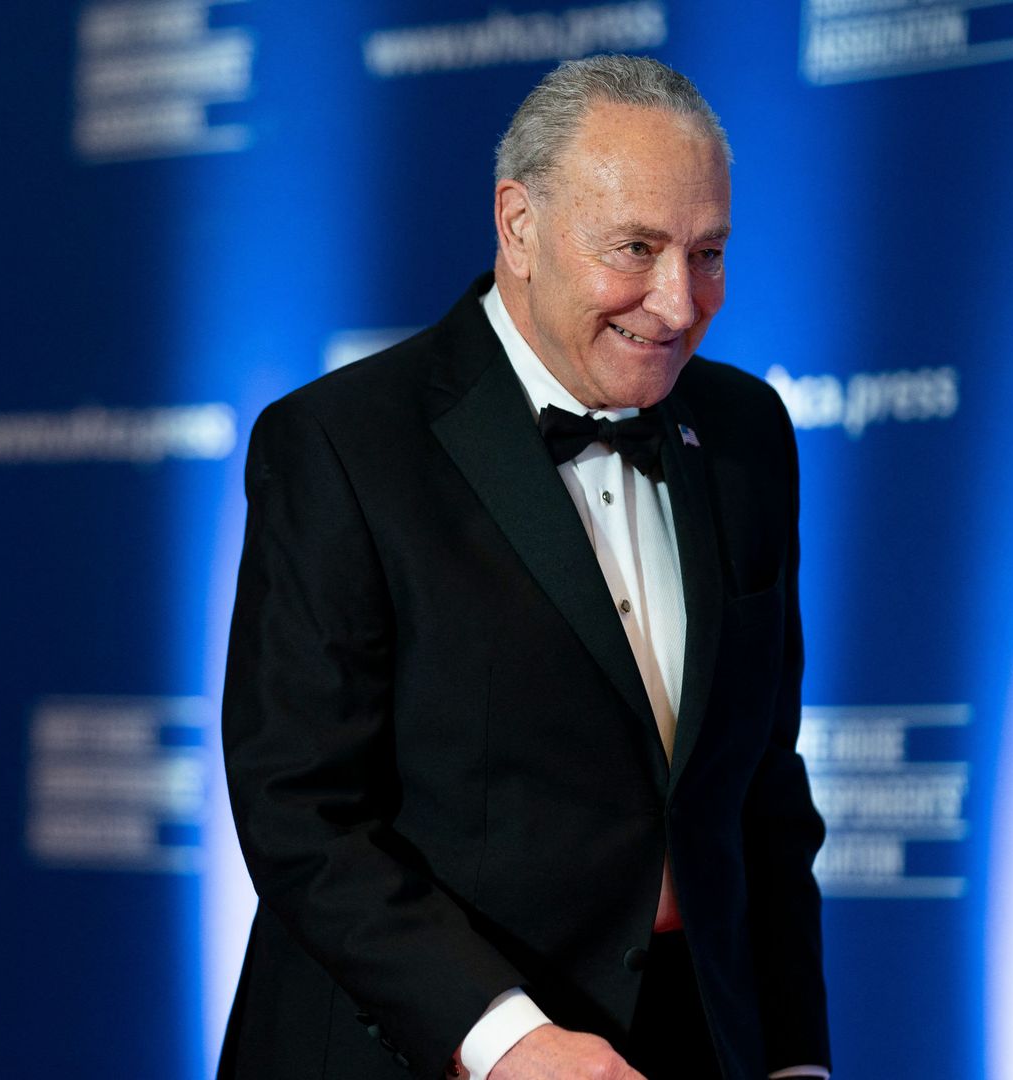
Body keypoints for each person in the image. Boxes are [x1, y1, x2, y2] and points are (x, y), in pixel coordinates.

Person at [217, 55, 831, 1080]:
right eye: (635, 249)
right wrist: (505, 1039)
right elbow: (301, 810)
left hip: (694, 1036)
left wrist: (793, 1059)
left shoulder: (746, 432)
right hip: (426, 1045)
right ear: (519, 225)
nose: (679, 304)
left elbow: (762, 791)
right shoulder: (341, 442)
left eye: (709, 253)